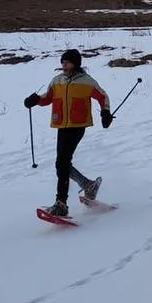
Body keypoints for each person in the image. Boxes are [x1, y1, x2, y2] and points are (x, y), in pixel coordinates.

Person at [24, 49, 112, 216]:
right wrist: (34, 101)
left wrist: (105, 112)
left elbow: (102, 96)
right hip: (61, 125)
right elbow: (47, 98)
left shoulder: (87, 82)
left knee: (62, 162)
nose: (63, 65)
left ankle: (61, 204)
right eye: (62, 63)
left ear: (75, 63)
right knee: (61, 164)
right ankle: (88, 185)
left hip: (78, 126)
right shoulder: (57, 81)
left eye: (67, 62)